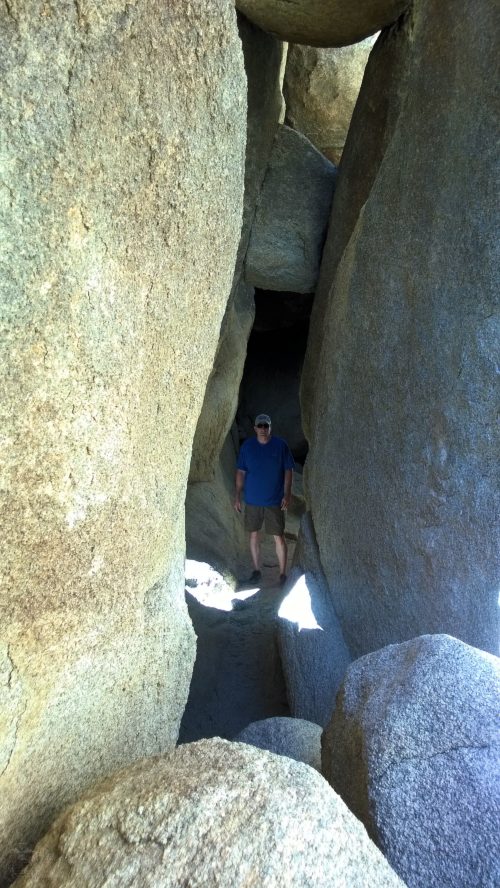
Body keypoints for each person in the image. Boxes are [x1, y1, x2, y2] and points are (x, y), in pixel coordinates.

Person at [234, 413, 294, 586]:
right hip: (252, 500)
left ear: (270, 428)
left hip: (274, 500)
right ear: (254, 428)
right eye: (259, 426)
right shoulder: (247, 447)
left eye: (265, 426)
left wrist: (287, 494)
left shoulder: (280, 446)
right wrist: (237, 495)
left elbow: (288, 470)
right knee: (253, 535)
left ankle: (282, 574)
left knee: (279, 537)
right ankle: (256, 570)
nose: (262, 429)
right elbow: (241, 472)